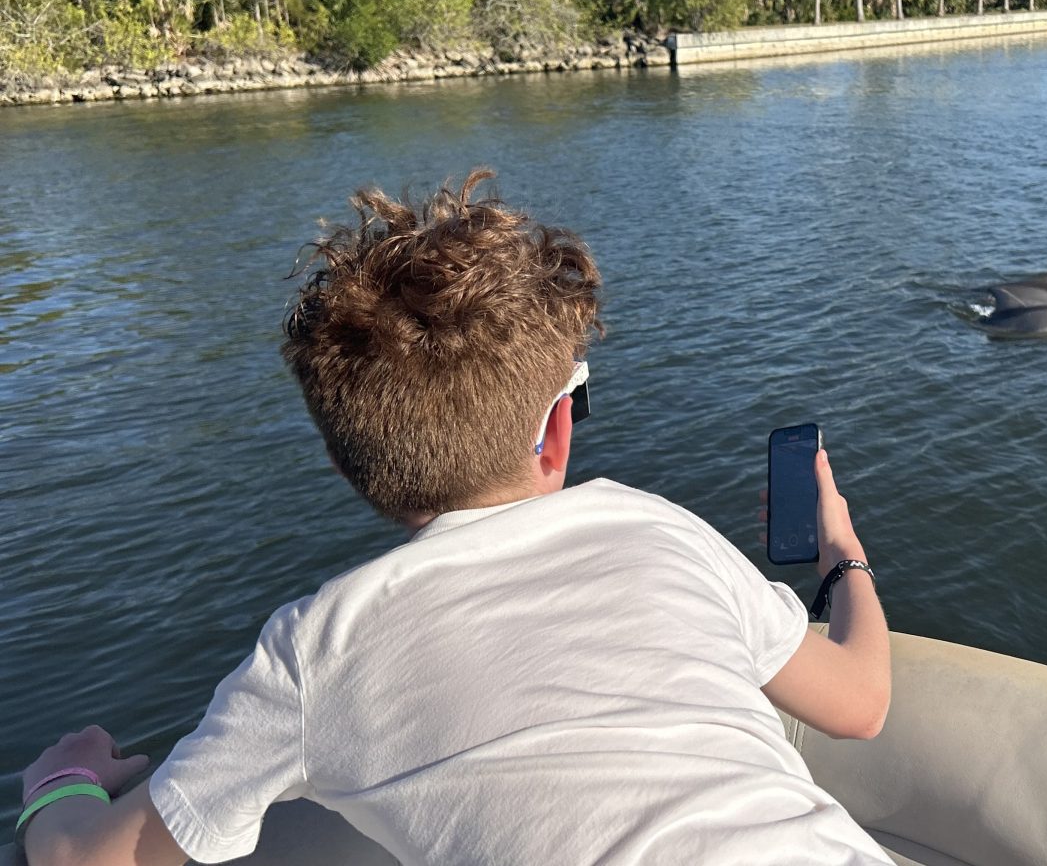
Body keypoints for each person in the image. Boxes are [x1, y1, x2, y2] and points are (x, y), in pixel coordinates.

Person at [18, 171, 894, 866]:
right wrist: (840, 548)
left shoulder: (316, 650)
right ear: (558, 428)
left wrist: (61, 780)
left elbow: (94, 861)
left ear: (345, 467)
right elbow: (859, 703)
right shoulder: (660, 529)